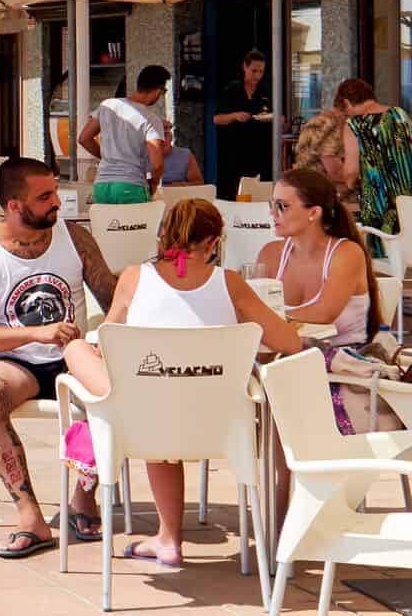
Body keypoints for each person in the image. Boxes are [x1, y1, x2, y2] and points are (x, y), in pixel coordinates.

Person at [60, 199, 304, 567]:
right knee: (171, 392)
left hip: (145, 424)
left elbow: (108, 342)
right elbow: (290, 343)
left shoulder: (133, 278)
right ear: (213, 242)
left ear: (164, 233)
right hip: (220, 424)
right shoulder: (230, 284)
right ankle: (170, 538)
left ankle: (169, 540)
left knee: (78, 348)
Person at [0, 157, 120, 558]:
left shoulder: (75, 238)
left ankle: (84, 495)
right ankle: (30, 515)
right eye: (45, 196)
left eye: (56, 191)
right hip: (17, 360)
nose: (57, 202)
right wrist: (35, 332)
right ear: (15, 205)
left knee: (115, 392)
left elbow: (113, 298)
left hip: (73, 355)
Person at [255, 167, 383, 348]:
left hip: (344, 363)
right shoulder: (270, 254)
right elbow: (253, 312)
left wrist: (264, 316)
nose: (273, 213)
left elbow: (323, 313)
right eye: (272, 204)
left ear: (314, 213)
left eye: (283, 206)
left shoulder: (347, 253)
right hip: (287, 358)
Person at [77, 64, 170, 205]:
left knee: (105, 227)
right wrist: (153, 184)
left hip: (102, 186)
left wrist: (108, 157)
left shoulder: (108, 106)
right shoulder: (151, 119)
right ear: (158, 90)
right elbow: (157, 164)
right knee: (139, 226)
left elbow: (84, 139)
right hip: (131, 185)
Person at [336, 78, 412, 244]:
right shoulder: (400, 114)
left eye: (346, 111)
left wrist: (350, 184)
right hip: (408, 202)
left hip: (379, 208)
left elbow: (351, 172)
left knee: (383, 260)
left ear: (347, 102)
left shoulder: (353, 125)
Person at [214, 50, 274, 199]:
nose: (257, 75)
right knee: (233, 192)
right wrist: (235, 116)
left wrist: (272, 118)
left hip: (261, 150)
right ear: (245, 67)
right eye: (254, 71)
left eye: (261, 71)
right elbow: (217, 119)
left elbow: (281, 118)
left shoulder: (266, 90)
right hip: (234, 151)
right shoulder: (231, 90)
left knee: (258, 192)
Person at [156, 120, 204, 186]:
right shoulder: (141, 155)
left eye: (166, 135)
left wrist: (183, 185)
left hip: (179, 194)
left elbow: (199, 183)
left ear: (171, 138)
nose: (162, 140)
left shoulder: (185, 155)